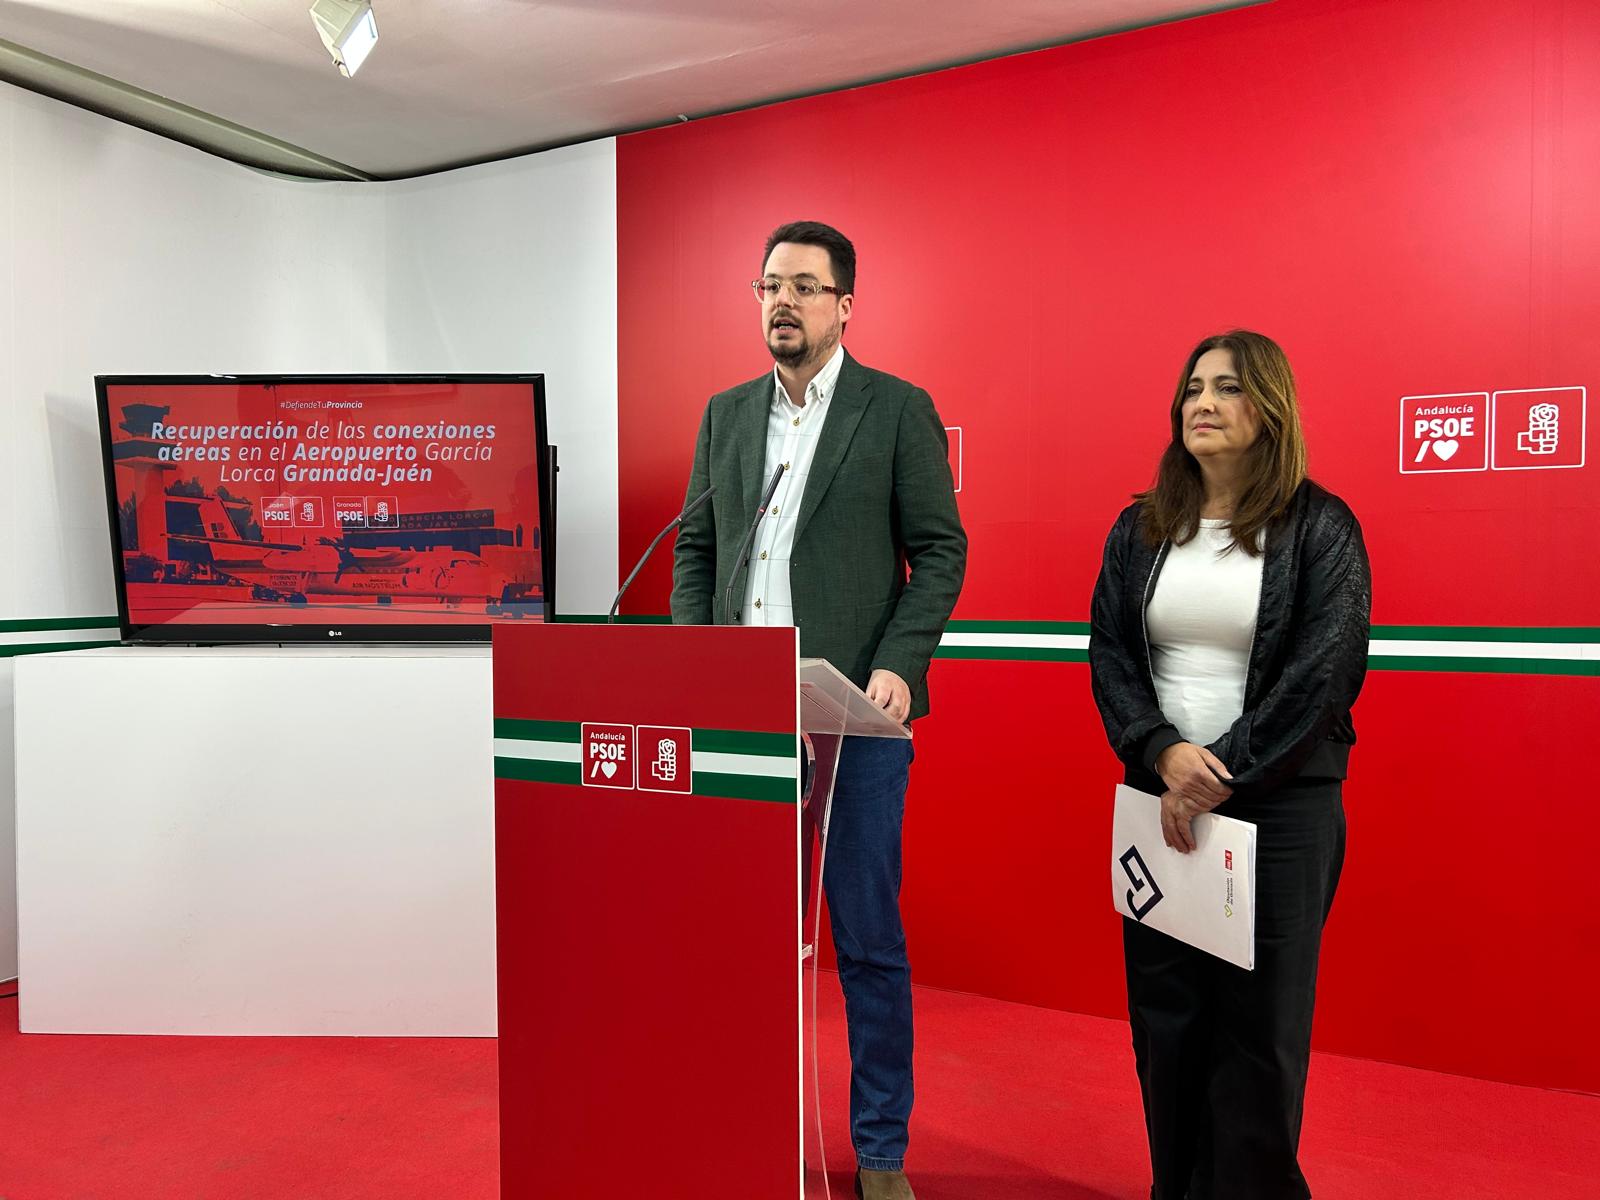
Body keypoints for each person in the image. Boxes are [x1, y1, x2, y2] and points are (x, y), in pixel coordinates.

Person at [671, 220, 966, 1200]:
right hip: (742, 724)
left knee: (867, 941)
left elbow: (940, 550)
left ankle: (880, 1153)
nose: (781, 302)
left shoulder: (896, 410)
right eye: (768, 285)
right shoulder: (724, 416)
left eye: (803, 286)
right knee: (739, 939)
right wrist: (699, 663)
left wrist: (898, 666)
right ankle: (739, 1125)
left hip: (855, 725)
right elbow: (697, 553)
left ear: (845, 305)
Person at [1088, 330, 1371, 1200]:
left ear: (1270, 409)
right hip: (1161, 804)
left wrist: (1220, 771)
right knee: (1166, 1024)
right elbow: (1110, 656)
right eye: (1193, 389)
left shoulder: (1322, 525)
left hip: (1280, 811)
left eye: (1228, 389)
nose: (1202, 404)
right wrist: (1162, 754)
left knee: (1259, 1032)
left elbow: (1326, 671)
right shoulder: (1142, 528)